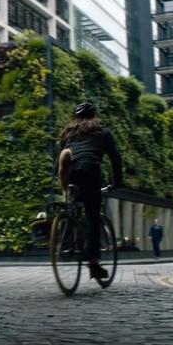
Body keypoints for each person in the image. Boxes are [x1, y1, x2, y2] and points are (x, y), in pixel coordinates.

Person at [58, 102, 123, 280]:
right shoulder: (103, 132)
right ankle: (93, 263)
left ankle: (68, 243)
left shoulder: (68, 134)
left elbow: (60, 161)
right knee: (93, 217)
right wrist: (116, 182)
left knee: (74, 206)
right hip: (90, 172)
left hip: (70, 173)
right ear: (95, 117)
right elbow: (115, 158)